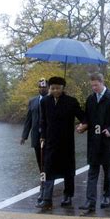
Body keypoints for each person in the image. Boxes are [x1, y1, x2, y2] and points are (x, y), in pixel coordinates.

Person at [78, 72, 110, 212]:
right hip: (93, 141)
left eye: (96, 85)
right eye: (92, 86)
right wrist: (83, 126)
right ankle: (90, 201)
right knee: (92, 171)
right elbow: (87, 118)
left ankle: (107, 196)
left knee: (107, 171)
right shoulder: (90, 99)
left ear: (102, 82)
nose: (94, 88)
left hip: (108, 141)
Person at [38, 76, 85, 210]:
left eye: (58, 88)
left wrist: (84, 125)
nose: (55, 91)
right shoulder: (45, 102)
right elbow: (43, 121)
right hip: (50, 142)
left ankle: (68, 195)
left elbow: (82, 116)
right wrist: (42, 136)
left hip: (66, 142)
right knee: (48, 169)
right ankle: (47, 199)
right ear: (49, 88)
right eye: (52, 88)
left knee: (68, 170)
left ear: (63, 88)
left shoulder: (71, 102)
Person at [20, 78, 48, 204]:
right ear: (38, 88)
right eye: (40, 87)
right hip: (36, 138)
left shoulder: (52, 100)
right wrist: (24, 136)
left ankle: (46, 189)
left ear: (48, 88)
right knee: (40, 164)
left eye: (44, 87)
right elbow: (28, 120)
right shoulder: (33, 101)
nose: (42, 89)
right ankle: (43, 186)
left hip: (49, 138)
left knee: (47, 164)